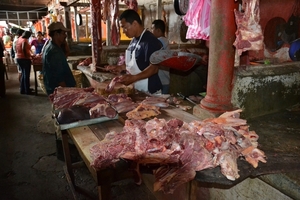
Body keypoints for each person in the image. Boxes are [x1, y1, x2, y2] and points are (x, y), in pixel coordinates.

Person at [105, 9, 162, 94]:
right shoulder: (133, 40)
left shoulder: (150, 41)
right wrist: (120, 68)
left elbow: (154, 68)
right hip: (138, 89)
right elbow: (134, 63)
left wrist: (134, 78)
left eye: (124, 27)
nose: (123, 31)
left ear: (135, 23)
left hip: (150, 92)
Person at [42, 22, 76, 95]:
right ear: (57, 34)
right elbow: (59, 76)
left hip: (54, 88)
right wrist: (66, 93)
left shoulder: (51, 46)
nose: (65, 36)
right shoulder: (54, 51)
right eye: (63, 33)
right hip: (59, 91)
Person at [151, 19, 170, 94]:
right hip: (164, 79)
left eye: (152, 29)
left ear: (158, 30)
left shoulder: (160, 41)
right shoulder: (165, 41)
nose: (151, 31)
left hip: (162, 80)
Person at [16, 31, 33, 95]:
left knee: (23, 74)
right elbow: (23, 48)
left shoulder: (19, 38)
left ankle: (23, 89)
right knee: (26, 75)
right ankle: (27, 90)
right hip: (24, 59)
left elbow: (16, 47)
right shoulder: (25, 40)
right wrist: (26, 56)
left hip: (19, 58)